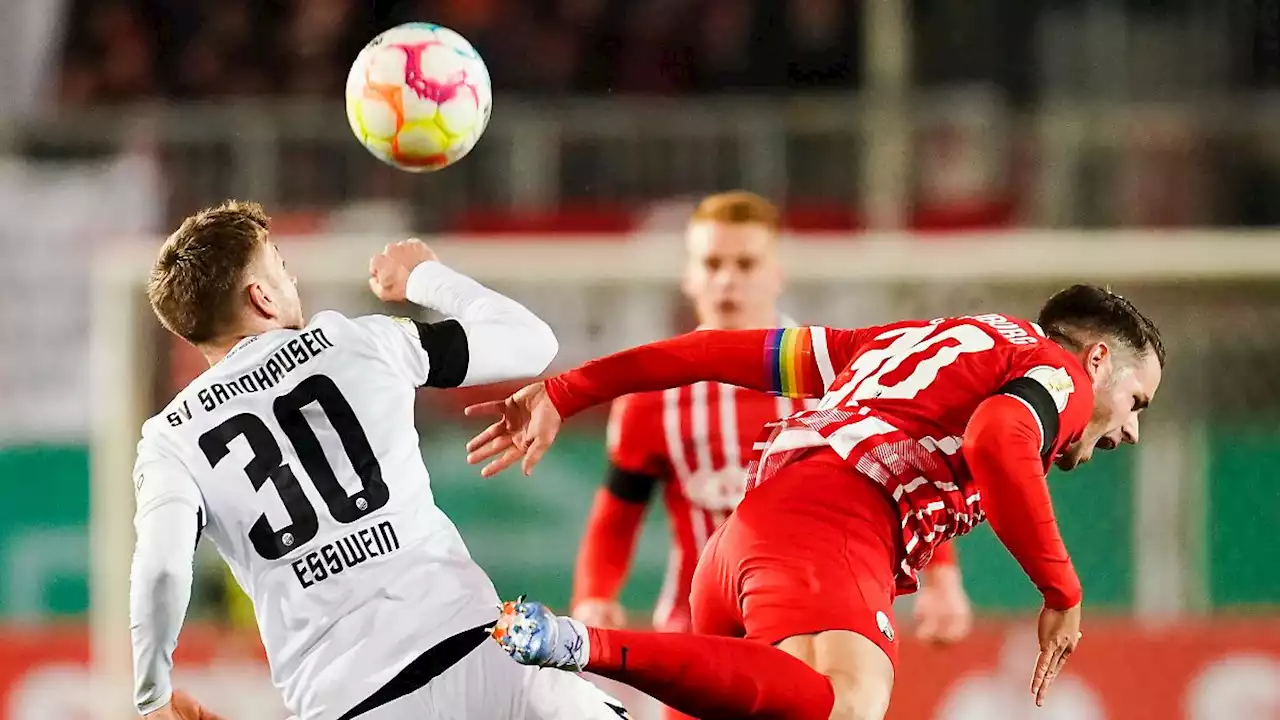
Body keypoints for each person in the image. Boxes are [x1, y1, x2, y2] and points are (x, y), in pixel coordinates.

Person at [466, 285, 1164, 720]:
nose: (1129, 430)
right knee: (850, 700)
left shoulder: (907, 341)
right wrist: (1061, 590)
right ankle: (580, 646)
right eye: (1137, 403)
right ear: (1097, 359)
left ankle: (578, 658)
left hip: (746, 544)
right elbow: (997, 441)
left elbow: (710, 353)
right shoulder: (1062, 376)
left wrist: (566, 391)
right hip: (827, 534)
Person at [129, 201, 630, 720]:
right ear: (261, 297)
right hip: (486, 661)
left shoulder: (170, 438)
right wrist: (425, 278)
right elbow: (533, 343)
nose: (291, 279)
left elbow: (161, 570)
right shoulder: (358, 341)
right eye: (280, 266)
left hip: (350, 702)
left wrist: (153, 696)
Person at [572, 192, 971, 720]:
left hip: (814, 621)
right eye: (712, 264)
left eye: (745, 264)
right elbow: (616, 515)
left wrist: (943, 580)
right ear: (689, 276)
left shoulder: (832, 375)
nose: (727, 280)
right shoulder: (653, 401)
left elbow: (895, 474)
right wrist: (594, 594)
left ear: (776, 273)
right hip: (701, 634)